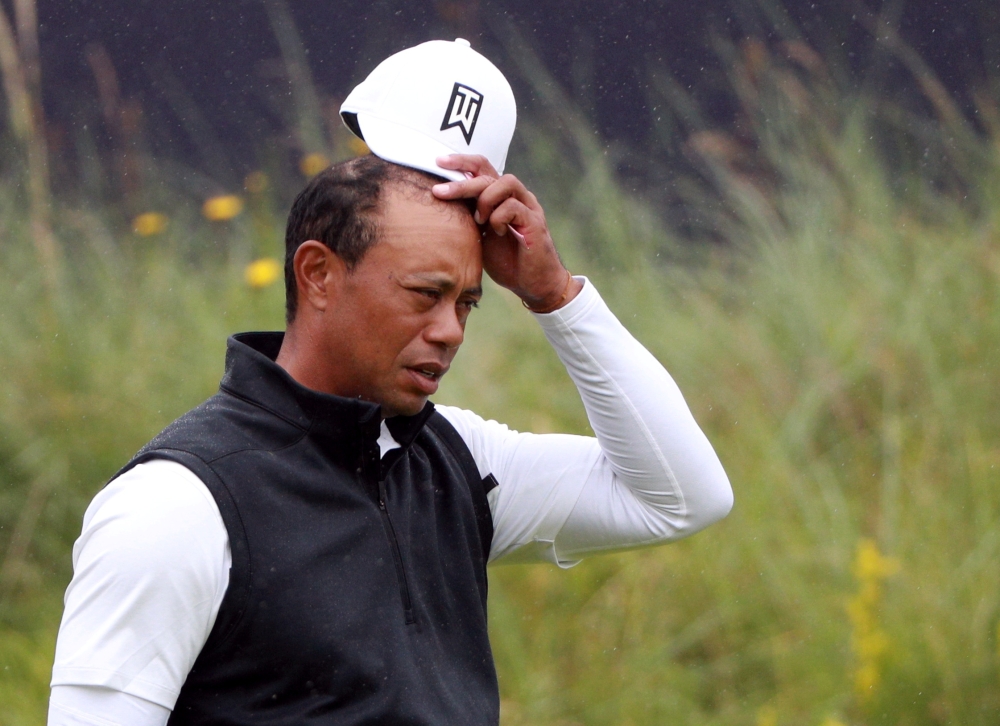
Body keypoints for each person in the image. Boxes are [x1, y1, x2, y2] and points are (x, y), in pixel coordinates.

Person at [47, 40, 732, 726]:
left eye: (465, 302)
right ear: (317, 274)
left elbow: (679, 498)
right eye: (423, 293)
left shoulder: (457, 460)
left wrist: (554, 294)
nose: (450, 331)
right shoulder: (175, 505)